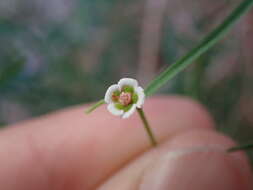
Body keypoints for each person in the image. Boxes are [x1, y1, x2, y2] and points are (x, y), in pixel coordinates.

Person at [0, 96, 252, 190]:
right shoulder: (123, 103)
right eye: (121, 98)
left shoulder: (132, 99)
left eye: (127, 97)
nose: (124, 97)